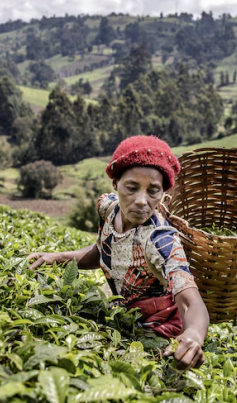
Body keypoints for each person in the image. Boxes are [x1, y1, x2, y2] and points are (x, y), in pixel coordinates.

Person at [28, 135, 209, 370]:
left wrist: (193, 335)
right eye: (131, 188)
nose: (142, 201)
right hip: (121, 310)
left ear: (164, 193)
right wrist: (57, 258)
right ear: (116, 185)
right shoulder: (108, 207)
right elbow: (105, 251)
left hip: (156, 327)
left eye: (153, 191)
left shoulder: (161, 240)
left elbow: (191, 303)